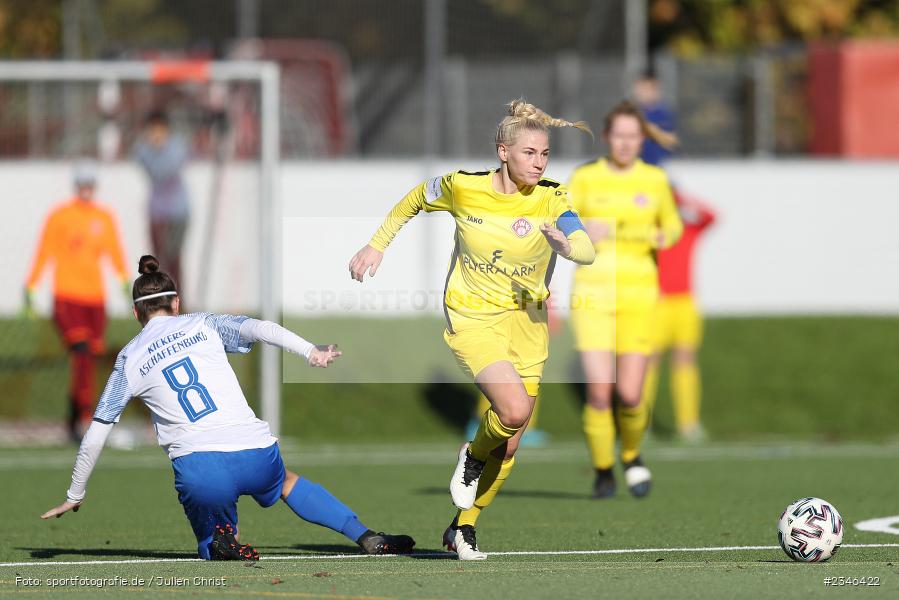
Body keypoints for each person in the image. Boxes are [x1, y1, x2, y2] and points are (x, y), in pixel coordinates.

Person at [40, 256, 415, 560]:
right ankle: (364, 535)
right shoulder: (203, 324)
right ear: (176, 303)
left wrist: (75, 493)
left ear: (137, 315)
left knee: (214, 532)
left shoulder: (128, 359)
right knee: (287, 482)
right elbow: (261, 328)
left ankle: (219, 542)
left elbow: (96, 433)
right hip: (257, 454)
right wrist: (310, 351)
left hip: (201, 470)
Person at [349, 100, 595, 560]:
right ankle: (473, 454)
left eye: (544, 154)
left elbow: (584, 245)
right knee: (514, 410)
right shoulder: (464, 187)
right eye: (529, 153)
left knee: (512, 440)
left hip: (527, 320)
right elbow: (417, 197)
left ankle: (463, 527)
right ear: (503, 151)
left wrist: (569, 246)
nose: (539, 162)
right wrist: (376, 245)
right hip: (472, 314)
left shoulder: (552, 195)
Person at [568, 100, 682, 500]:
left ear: (641, 139)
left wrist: (664, 236)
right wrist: (579, 230)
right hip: (592, 295)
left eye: (633, 136)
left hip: (639, 297)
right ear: (608, 136)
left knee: (631, 394)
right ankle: (603, 471)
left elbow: (673, 224)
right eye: (619, 135)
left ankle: (631, 454)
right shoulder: (585, 178)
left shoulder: (654, 180)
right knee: (600, 391)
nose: (625, 143)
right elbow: (558, 220)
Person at [24, 161, 129, 441]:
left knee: (87, 360)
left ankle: (74, 422)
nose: (86, 188)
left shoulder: (104, 217)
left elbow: (115, 251)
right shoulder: (60, 216)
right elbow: (44, 250)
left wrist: (124, 280)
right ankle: (85, 418)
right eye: (82, 183)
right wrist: (31, 285)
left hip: (95, 300)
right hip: (67, 298)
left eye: (90, 183)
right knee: (81, 351)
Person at [641, 188, 716, 442]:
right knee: (649, 361)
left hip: (685, 303)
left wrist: (682, 196)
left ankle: (689, 424)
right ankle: (641, 423)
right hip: (657, 302)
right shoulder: (652, 231)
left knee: (685, 359)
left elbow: (711, 216)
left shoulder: (687, 229)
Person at [134, 110, 191, 294]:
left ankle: (177, 298)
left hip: (177, 212)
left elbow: (164, 170)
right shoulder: (144, 148)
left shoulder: (176, 147)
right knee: (158, 260)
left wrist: (157, 150)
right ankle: (160, 298)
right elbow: (143, 161)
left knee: (173, 257)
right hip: (157, 211)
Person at [632, 70, 676, 166]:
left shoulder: (665, 114)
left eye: (650, 89)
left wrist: (654, 132)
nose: (646, 93)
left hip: (658, 164)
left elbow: (672, 141)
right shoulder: (631, 113)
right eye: (643, 88)